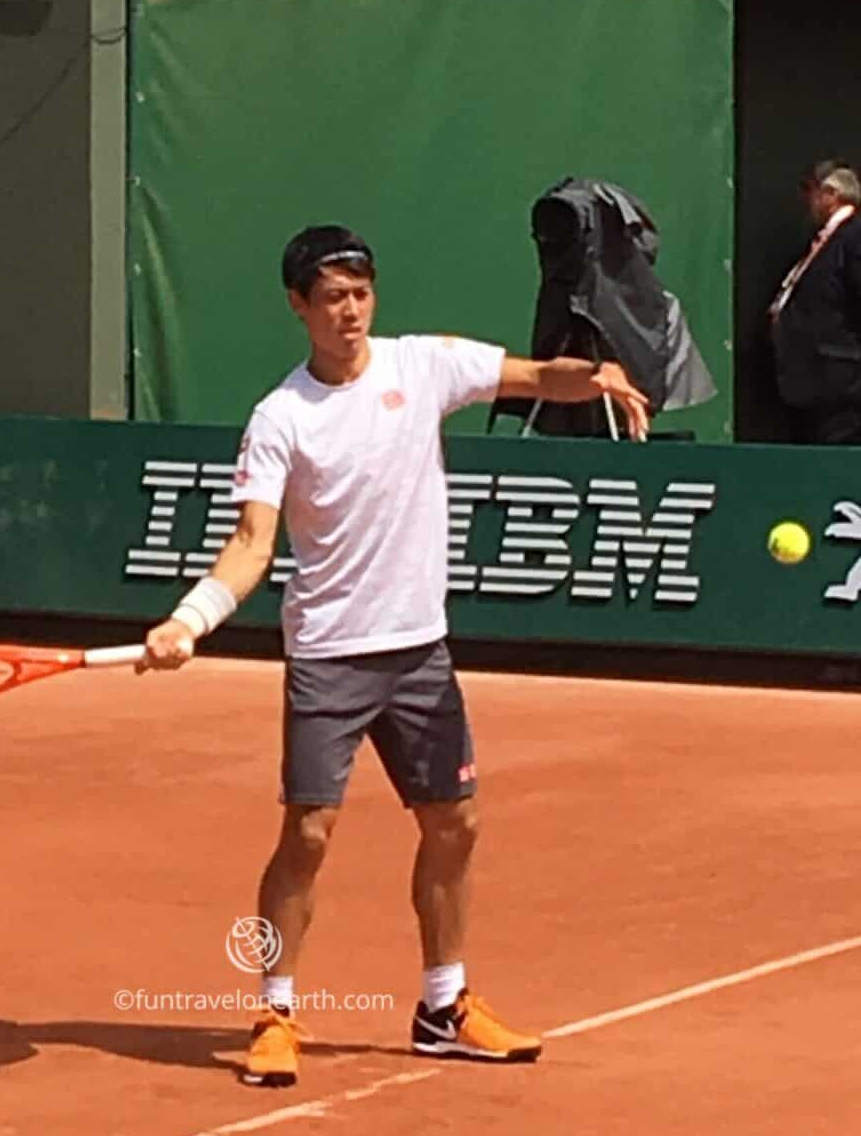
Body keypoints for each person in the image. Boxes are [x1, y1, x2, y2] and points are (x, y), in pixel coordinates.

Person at [141, 225, 650, 1088]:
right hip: (331, 655)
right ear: (299, 306)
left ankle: (443, 1008)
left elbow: (531, 375)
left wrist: (593, 375)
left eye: (361, 293)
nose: (350, 310)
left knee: (456, 824)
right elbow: (251, 542)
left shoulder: (423, 366)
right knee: (308, 833)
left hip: (420, 653)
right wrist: (190, 618)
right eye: (332, 296)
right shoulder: (281, 419)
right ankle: (274, 1008)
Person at [769, 160, 861, 445]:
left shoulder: (854, 236)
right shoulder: (826, 240)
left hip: (840, 386)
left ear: (831, 194)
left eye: (811, 191)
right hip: (812, 383)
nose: (807, 201)